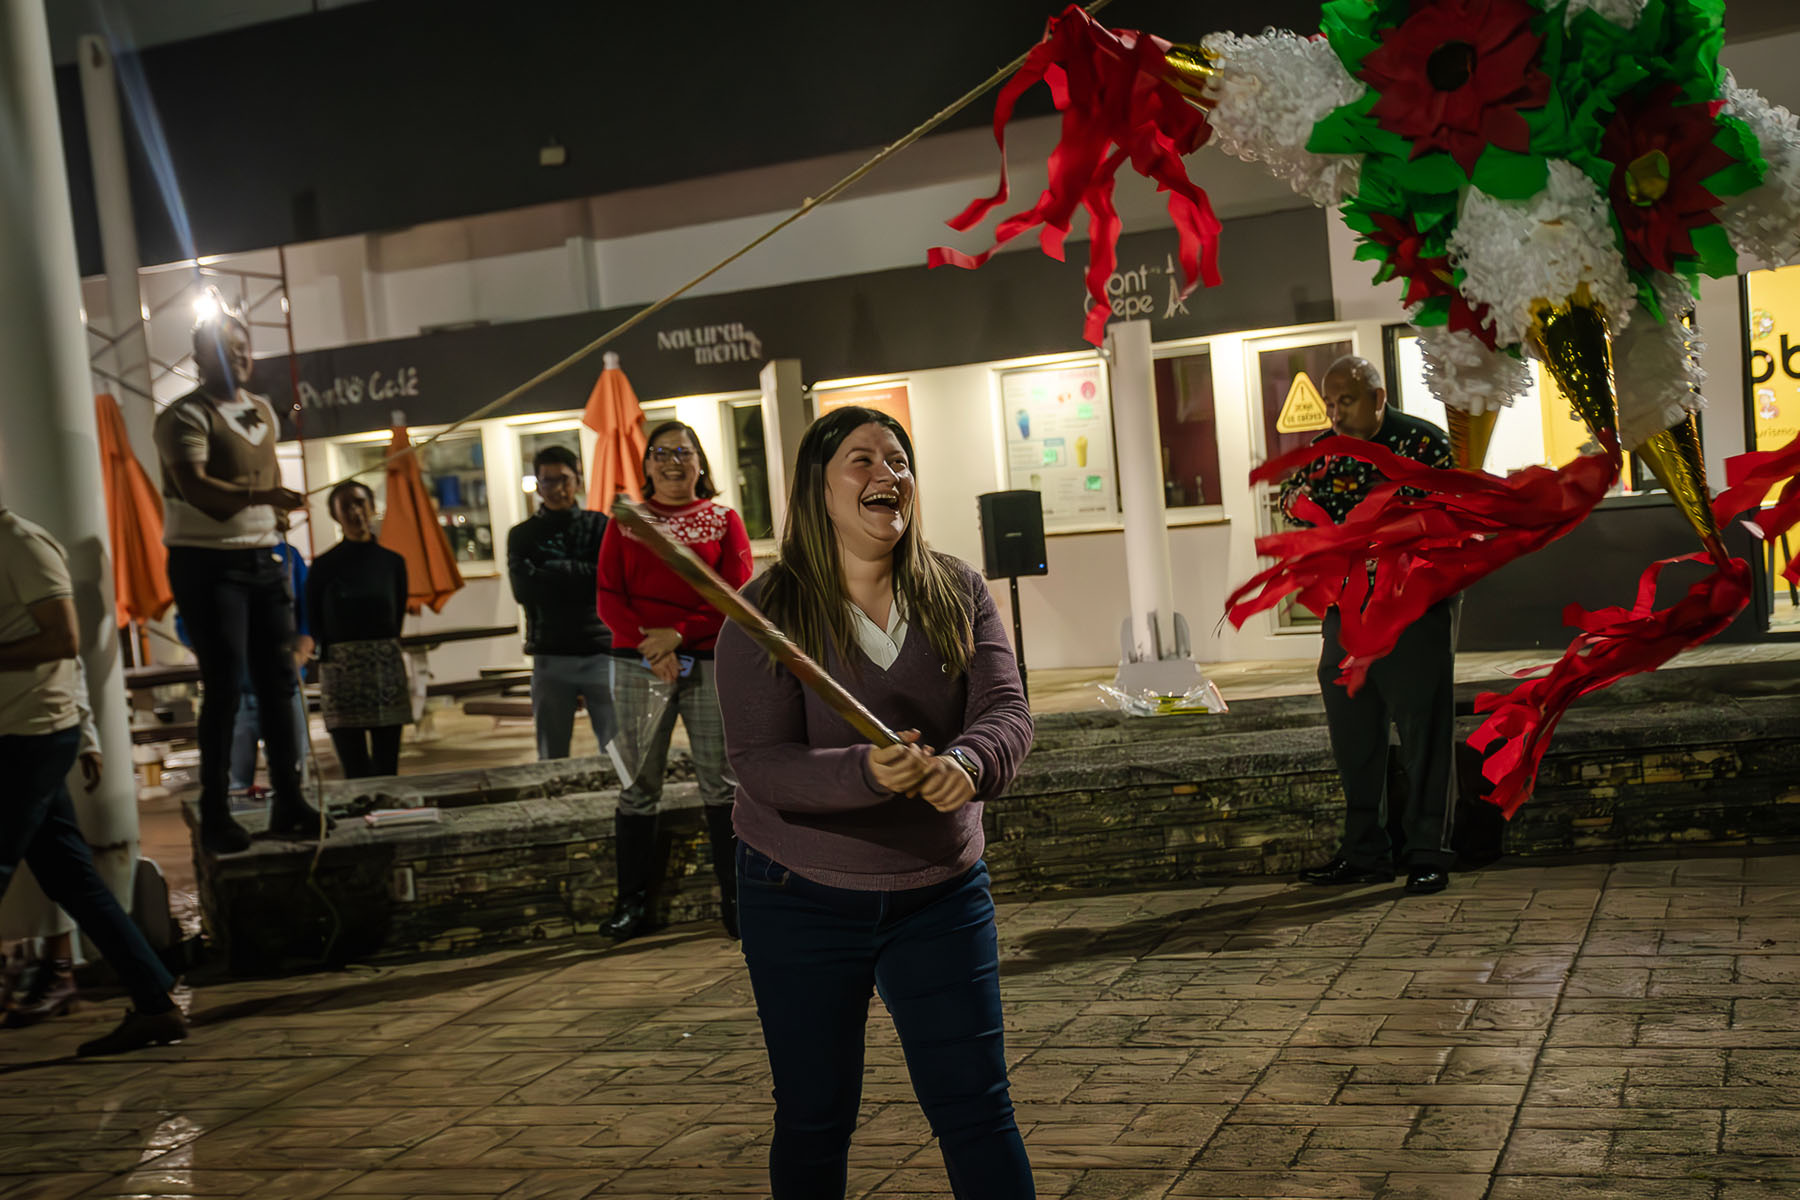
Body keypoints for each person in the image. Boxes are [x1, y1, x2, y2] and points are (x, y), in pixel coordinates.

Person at [715, 406, 1036, 1199]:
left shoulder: (957, 588)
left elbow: (1007, 711)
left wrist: (968, 761)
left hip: (941, 895)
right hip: (799, 896)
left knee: (976, 1108)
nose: (887, 474)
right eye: (861, 460)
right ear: (816, 490)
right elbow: (761, 766)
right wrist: (868, 772)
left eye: (898, 460)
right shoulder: (765, 615)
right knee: (816, 1118)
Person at [0, 507, 186, 1055]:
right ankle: (154, 1003)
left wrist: (84, 733)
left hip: (29, 734)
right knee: (72, 879)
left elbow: (63, 640)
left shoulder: (22, 544)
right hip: (21, 733)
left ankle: (153, 1002)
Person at [154, 306, 327, 851]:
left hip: (264, 558)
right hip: (208, 563)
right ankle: (216, 810)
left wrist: (276, 514)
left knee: (279, 680)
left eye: (244, 346)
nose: (241, 356)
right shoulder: (183, 417)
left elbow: (269, 469)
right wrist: (264, 498)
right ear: (201, 357)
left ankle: (290, 801)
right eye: (227, 348)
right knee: (225, 685)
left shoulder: (263, 409)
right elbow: (198, 491)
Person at [1283, 355, 1457, 896]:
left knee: (1423, 732)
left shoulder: (1423, 445)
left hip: (1412, 607)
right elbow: (1296, 509)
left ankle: (1428, 852)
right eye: (1330, 403)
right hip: (1347, 610)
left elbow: (1449, 519)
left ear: (1378, 398)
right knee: (1353, 731)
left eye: (1346, 401)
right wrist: (1301, 511)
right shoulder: (1322, 452)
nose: (1334, 414)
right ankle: (1364, 852)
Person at [596, 420, 752, 940]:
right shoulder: (625, 523)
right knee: (638, 783)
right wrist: (651, 644)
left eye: (683, 452)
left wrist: (679, 635)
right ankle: (632, 904)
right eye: (661, 452)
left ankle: (738, 901)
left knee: (722, 783)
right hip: (638, 662)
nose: (672, 461)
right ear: (646, 465)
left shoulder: (724, 519)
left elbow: (737, 596)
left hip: (709, 661)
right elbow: (607, 596)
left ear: (700, 462)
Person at [506, 444, 617, 760]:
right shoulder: (523, 535)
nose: (557, 488)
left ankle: (624, 808)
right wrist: (582, 575)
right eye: (548, 481)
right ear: (538, 485)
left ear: (578, 481)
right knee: (551, 756)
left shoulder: (600, 526)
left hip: (601, 652)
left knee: (617, 752)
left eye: (564, 479)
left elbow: (609, 581)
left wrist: (550, 570)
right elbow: (523, 591)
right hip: (550, 656)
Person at [306, 482, 411, 778]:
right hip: (342, 671)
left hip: (384, 666)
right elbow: (314, 618)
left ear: (372, 507)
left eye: (360, 503)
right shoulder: (324, 566)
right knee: (354, 767)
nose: (355, 512)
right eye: (346, 507)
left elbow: (397, 613)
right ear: (336, 515)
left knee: (387, 763)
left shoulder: (392, 563)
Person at [226, 538, 313, 794]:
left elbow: (307, 616)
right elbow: (187, 624)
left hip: (285, 683)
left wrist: (300, 650)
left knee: (295, 776)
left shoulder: (287, 555)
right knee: (236, 784)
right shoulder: (221, 556)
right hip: (238, 689)